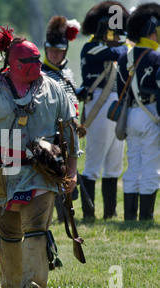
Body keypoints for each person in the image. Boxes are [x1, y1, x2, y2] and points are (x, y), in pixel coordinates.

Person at [0, 26, 80, 288]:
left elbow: (70, 129)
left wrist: (72, 169)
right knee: (9, 233)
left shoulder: (54, 89)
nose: (36, 65)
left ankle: (34, 285)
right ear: (13, 64)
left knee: (36, 227)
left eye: (38, 60)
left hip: (41, 171)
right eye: (29, 61)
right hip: (1, 171)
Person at [79, 1, 130, 220]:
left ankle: (110, 212)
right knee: (93, 164)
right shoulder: (92, 47)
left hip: (115, 104)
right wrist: (124, 41)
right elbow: (120, 52)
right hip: (98, 105)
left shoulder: (112, 47)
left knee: (114, 163)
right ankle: (89, 214)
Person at [116, 3, 160, 221]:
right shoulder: (155, 57)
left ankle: (130, 216)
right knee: (151, 164)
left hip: (130, 115)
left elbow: (119, 90)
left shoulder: (125, 56)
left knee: (133, 164)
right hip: (150, 112)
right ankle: (146, 216)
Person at [41, 16, 82, 222]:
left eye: (59, 51)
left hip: (70, 129)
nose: (55, 54)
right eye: (52, 50)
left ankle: (67, 214)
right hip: (52, 130)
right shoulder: (41, 73)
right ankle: (59, 215)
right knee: (55, 172)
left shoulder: (67, 72)